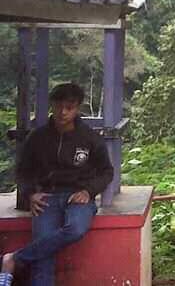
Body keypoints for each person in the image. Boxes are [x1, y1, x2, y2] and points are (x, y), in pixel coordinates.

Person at [0, 83, 114, 286]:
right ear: (52, 105)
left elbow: (107, 172)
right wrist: (30, 194)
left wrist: (88, 191)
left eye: (69, 107)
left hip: (77, 197)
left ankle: (14, 259)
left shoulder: (90, 138)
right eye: (59, 106)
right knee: (43, 259)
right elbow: (22, 171)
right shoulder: (38, 138)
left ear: (77, 108)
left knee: (76, 229)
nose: (63, 112)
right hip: (46, 197)